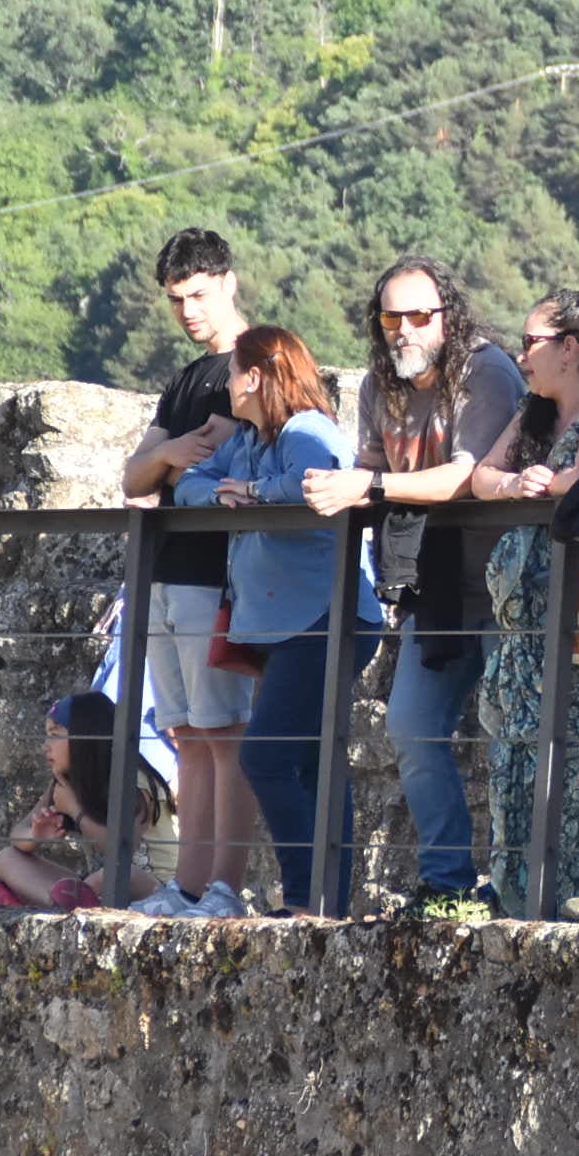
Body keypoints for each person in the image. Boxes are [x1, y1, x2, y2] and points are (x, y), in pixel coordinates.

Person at [301, 256, 524, 916]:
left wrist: (367, 486)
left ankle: (521, 889)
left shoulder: (485, 371)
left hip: (506, 586)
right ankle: (448, 881)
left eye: (420, 315)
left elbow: (466, 475)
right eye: (391, 317)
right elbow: (370, 464)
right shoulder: (381, 385)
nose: (405, 329)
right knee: (411, 727)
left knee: (517, 737)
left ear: (447, 317)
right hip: (434, 590)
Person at [176, 326, 384, 916]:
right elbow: (190, 483)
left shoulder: (306, 430)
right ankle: (321, 904)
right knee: (316, 765)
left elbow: (313, 484)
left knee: (265, 757)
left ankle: (306, 901)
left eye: (234, 375)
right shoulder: (249, 437)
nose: (227, 387)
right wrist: (219, 495)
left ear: (259, 377)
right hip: (290, 623)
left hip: (325, 618)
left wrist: (253, 491)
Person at [467, 283, 579, 915]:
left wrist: (550, 483)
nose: (520, 356)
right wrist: (517, 481)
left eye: (530, 343)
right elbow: (481, 476)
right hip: (525, 640)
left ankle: (577, 910)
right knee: (516, 775)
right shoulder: (533, 412)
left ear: (570, 348)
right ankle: (517, 906)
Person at [118, 229, 259, 921]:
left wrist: (171, 460)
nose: (187, 311)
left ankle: (224, 888)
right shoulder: (184, 380)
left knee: (223, 733)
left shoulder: (258, 362)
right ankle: (192, 886)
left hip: (220, 572)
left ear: (229, 281)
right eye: (176, 299)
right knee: (188, 735)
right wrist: (175, 451)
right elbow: (134, 476)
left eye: (198, 295)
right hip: (171, 570)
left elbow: (226, 459)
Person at [0, 693, 181, 910]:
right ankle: (63, 902)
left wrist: (75, 809)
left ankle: (40, 903)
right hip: (96, 889)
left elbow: (119, 848)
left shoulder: (135, 780)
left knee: (117, 874)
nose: (45, 746)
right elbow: (18, 834)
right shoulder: (66, 782)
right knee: (6, 857)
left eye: (54, 734)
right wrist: (34, 835)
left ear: (86, 737)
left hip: (154, 888)